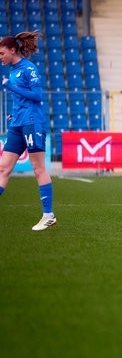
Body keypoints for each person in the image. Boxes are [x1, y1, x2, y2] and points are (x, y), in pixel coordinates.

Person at [0, 31, 57, 230]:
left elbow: (37, 95)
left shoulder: (28, 68)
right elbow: (22, 100)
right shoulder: (12, 71)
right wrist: (14, 115)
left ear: (12, 50)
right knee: (3, 168)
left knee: (38, 168)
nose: (0, 57)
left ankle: (49, 215)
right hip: (17, 123)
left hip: (32, 123)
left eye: (2, 53)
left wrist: (11, 87)